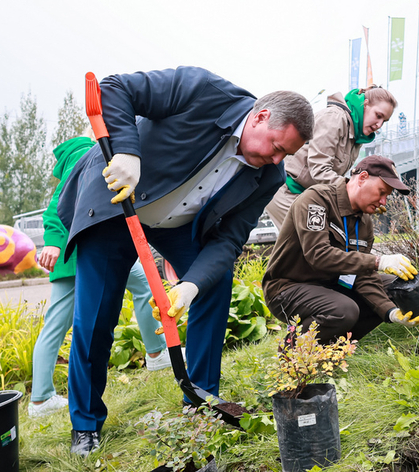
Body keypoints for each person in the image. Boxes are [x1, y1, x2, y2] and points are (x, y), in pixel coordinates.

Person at [57, 66, 314, 455]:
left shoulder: (269, 176)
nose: (276, 159)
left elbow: (227, 241)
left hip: (175, 222)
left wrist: (190, 286)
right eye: (276, 146)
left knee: (214, 279)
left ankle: (201, 402)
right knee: (96, 318)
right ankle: (86, 424)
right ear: (260, 117)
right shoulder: (204, 92)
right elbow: (115, 88)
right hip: (117, 202)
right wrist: (127, 151)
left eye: (285, 154)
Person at [28, 133, 171, 418]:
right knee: (58, 323)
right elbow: (57, 206)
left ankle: (156, 353)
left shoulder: (83, 156)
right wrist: (54, 243)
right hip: (76, 256)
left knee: (145, 284)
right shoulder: (84, 156)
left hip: (103, 247)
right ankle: (41, 400)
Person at [262, 155, 419, 344]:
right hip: (288, 288)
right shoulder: (317, 199)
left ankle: (333, 351)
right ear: (362, 177)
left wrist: (390, 312)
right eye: (381, 192)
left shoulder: (364, 222)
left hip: (330, 286)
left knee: (394, 288)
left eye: (387, 196)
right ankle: (292, 358)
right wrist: (378, 262)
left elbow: (362, 274)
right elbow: (318, 255)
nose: (383, 202)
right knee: (344, 310)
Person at [265, 86, 397, 230]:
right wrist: (355, 190)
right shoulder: (334, 118)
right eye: (378, 115)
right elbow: (319, 169)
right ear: (364, 104)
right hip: (288, 190)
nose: (379, 125)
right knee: (313, 244)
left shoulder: (355, 136)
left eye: (384, 121)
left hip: (307, 196)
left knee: (321, 243)